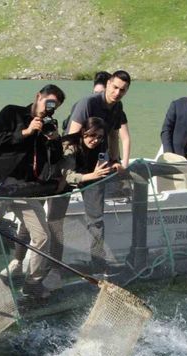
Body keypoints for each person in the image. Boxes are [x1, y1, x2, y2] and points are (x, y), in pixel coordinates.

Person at [0, 84, 66, 298]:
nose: (49, 109)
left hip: (24, 189)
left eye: (55, 106)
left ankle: (33, 284)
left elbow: (54, 160)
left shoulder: (47, 125)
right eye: (48, 102)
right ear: (38, 96)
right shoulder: (12, 112)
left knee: (42, 236)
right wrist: (26, 131)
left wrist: (54, 141)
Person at [63, 70, 132, 273]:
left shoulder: (118, 107)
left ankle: (97, 263)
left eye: (122, 90)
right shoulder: (88, 103)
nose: (117, 93)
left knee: (96, 219)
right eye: (115, 87)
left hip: (97, 164)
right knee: (55, 216)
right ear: (108, 84)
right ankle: (49, 264)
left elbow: (113, 135)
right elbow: (70, 137)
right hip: (73, 160)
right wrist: (72, 171)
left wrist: (115, 160)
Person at [46, 117, 113, 280]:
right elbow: (66, 175)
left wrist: (113, 163)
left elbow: (104, 163)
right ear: (83, 132)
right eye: (92, 135)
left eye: (99, 137)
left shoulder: (101, 145)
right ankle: (53, 267)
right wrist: (91, 175)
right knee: (55, 224)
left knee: (96, 221)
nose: (95, 140)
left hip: (90, 176)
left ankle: (98, 264)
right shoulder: (70, 146)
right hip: (63, 181)